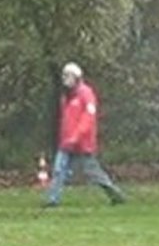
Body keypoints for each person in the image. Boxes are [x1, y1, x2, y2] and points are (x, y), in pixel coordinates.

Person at [44, 62, 126, 208]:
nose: (65, 78)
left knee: (93, 173)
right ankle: (52, 199)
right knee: (58, 170)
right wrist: (66, 138)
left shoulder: (86, 94)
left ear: (76, 77)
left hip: (82, 144)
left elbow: (88, 119)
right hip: (66, 142)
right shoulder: (66, 97)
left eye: (68, 75)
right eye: (64, 75)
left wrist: (76, 136)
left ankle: (115, 194)